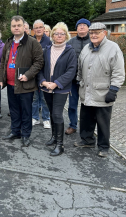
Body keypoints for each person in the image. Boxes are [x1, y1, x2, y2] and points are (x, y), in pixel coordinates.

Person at [74, 22, 125, 158]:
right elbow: (80, 66)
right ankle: (87, 140)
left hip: (103, 93)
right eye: (91, 33)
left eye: (97, 32)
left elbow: (118, 72)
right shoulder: (86, 48)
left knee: (102, 122)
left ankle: (103, 147)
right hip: (86, 91)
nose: (94, 35)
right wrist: (79, 80)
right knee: (86, 118)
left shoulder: (113, 48)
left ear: (104, 33)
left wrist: (113, 90)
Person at [0, 16, 44, 147]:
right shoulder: (8, 42)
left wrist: (28, 75)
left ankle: (25, 134)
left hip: (26, 84)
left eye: (19, 25)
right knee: (14, 110)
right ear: (11, 27)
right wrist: (2, 78)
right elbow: (4, 62)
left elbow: (39, 62)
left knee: (26, 111)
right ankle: (15, 131)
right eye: (14, 26)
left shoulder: (32, 42)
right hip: (11, 83)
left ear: (24, 26)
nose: (16, 28)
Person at [38, 22, 77, 156]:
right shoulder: (47, 49)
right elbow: (40, 68)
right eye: (56, 33)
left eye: (62, 33)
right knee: (50, 112)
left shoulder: (70, 51)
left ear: (66, 35)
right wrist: (43, 81)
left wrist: (56, 83)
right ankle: (54, 137)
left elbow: (71, 71)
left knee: (57, 114)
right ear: (52, 35)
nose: (59, 36)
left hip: (61, 88)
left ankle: (60, 145)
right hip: (47, 87)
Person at [65, 18, 91, 135]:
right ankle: (73, 125)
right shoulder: (70, 42)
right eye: (79, 25)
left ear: (88, 28)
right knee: (72, 104)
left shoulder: (93, 41)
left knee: (87, 105)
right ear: (76, 28)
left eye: (84, 25)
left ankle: (87, 128)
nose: (81, 27)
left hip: (88, 80)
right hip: (73, 80)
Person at [32, 19, 52, 128]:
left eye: (40, 27)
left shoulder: (49, 41)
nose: (39, 29)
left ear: (44, 29)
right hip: (34, 74)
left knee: (45, 98)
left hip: (45, 74)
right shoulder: (31, 41)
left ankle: (46, 119)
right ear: (33, 30)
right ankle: (34, 118)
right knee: (34, 98)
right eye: (36, 27)